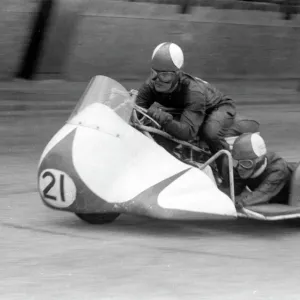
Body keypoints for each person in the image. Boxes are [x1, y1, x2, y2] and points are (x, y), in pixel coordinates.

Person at [135, 42, 237, 175]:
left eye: (164, 75)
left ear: (177, 74)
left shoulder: (193, 92)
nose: (157, 80)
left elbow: (187, 133)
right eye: (154, 72)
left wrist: (166, 121)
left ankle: (228, 178)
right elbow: (136, 111)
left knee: (210, 133)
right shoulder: (150, 85)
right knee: (156, 129)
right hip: (187, 108)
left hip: (218, 108)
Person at [231, 132, 297, 208]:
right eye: (236, 161)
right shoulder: (242, 167)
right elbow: (231, 192)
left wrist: (236, 204)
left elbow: (262, 194)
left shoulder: (278, 170)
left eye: (246, 163)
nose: (239, 167)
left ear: (259, 159)